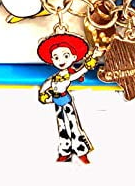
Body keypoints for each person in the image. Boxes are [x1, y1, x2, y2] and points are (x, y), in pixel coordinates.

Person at [37, 33, 98, 163]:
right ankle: (65, 150)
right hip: (57, 103)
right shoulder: (55, 77)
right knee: (62, 127)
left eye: (65, 56)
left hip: (66, 102)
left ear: (74, 57)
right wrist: (42, 94)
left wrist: (90, 62)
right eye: (56, 57)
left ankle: (81, 150)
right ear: (52, 59)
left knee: (73, 126)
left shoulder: (68, 76)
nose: (61, 60)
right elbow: (46, 85)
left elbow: (79, 74)